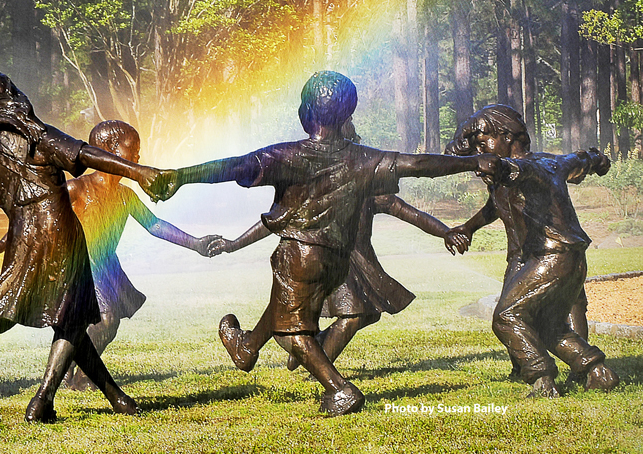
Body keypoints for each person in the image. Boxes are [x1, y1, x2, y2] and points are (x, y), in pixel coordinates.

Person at [149, 70, 500, 416]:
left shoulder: (288, 155)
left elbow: (235, 166)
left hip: (300, 252)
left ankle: (340, 389)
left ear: (306, 113)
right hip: (337, 259)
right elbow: (419, 164)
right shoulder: (365, 158)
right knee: (286, 306)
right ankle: (246, 347)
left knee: (296, 330)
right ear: (348, 115)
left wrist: (181, 176)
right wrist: (472, 161)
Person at [0, 69, 164, 423]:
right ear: (6, 96)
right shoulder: (37, 137)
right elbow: (87, 155)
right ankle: (42, 400)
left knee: (68, 318)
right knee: (71, 320)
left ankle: (116, 397)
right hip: (60, 235)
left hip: (25, 242)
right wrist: (138, 171)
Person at [444, 104, 618, 398]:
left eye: (484, 142)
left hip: (552, 257)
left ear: (506, 135)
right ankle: (597, 371)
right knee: (548, 326)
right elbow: (578, 159)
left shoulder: (526, 167)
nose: (481, 149)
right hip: (567, 257)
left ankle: (542, 379)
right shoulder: (552, 163)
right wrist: (596, 158)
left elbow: (515, 170)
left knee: (506, 317)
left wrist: (497, 166)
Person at [211, 193, 467, 374]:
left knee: (361, 314)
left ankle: (299, 352)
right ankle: (296, 354)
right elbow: (278, 218)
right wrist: (234, 244)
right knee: (342, 312)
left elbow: (401, 208)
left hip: (348, 261)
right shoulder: (324, 178)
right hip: (323, 258)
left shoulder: (359, 177)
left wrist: (444, 231)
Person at [64, 120, 220, 390]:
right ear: (109, 150)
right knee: (107, 319)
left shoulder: (125, 195)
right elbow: (45, 223)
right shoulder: (76, 189)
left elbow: (155, 225)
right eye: (132, 150)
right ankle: (80, 376)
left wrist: (195, 243)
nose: (137, 157)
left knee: (106, 326)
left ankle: (71, 372)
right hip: (82, 264)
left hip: (107, 265)